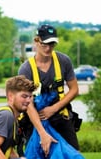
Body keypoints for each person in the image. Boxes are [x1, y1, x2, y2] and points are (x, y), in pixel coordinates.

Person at [17, 24, 81, 152]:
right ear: (36, 41)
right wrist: (42, 133)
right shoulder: (26, 69)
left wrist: (53, 109)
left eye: (52, 45)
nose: (48, 48)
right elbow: (27, 103)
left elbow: (74, 89)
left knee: (73, 157)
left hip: (60, 117)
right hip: (35, 121)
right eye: (44, 44)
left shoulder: (64, 61)